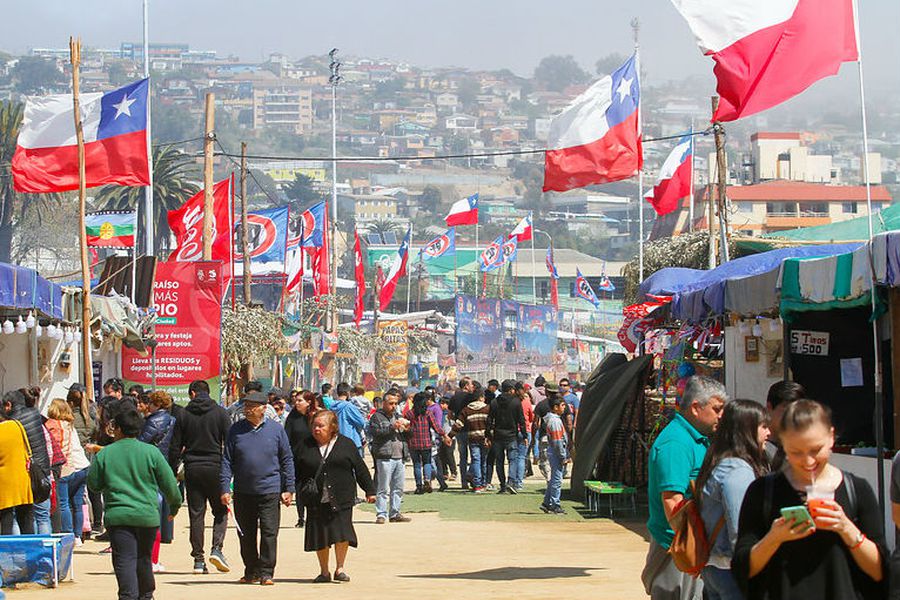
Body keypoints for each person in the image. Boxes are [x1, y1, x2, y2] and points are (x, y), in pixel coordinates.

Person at [732, 399, 886, 599]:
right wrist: (774, 538)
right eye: (796, 452)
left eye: (816, 450)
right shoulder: (762, 492)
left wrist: (846, 528)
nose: (808, 461)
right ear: (783, 444)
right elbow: (743, 569)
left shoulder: (856, 490)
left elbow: (880, 571)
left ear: (831, 437)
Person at [642, 376, 727, 600]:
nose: (721, 415)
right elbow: (672, 501)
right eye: (717, 409)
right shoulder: (676, 443)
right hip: (676, 547)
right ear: (696, 408)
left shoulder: (696, 439)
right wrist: (690, 548)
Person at [88, 408, 181, 600]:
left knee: (124, 560)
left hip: (119, 517)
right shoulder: (151, 452)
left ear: (119, 429)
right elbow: (170, 484)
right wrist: (174, 506)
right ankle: (146, 596)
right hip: (147, 517)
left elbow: (94, 485)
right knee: (144, 558)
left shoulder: (105, 454)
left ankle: (128, 596)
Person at [696, 400, 770, 600]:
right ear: (746, 430)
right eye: (763, 426)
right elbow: (740, 529)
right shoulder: (736, 470)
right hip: (730, 571)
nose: (768, 433)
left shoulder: (719, 461)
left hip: (716, 568)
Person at [220, 392, 294, 586]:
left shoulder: (276, 430)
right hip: (244, 491)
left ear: (263, 408)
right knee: (246, 534)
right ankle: (251, 570)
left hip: (270, 490)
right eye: (246, 406)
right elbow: (227, 460)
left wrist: (289, 488)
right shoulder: (236, 430)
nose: (248, 409)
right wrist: (224, 488)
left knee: (269, 533)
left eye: (252, 406)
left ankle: (267, 572)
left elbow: (287, 460)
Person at [296, 410, 376, 583]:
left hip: (342, 496)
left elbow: (360, 469)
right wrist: (287, 489)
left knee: (342, 532)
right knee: (320, 534)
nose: (316, 429)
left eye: (321, 426)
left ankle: (340, 568)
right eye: (314, 425)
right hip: (315, 498)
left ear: (332, 427)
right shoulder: (305, 445)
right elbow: (295, 470)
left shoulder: (346, 444)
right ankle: (324, 571)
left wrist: (370, 490)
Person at [168, 380, 231, 575]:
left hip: (193, 468)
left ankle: (198, 559)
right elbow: (229, 443)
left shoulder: (183, 414)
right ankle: (217, 549)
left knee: (196, 514)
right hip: (215, 467)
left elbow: (175, 447)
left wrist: (172, 470)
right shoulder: (221, 413)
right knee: (220, 511)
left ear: (193, 394)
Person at [136, 391, 177, 573]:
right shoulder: (172, 420)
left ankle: (151, 558)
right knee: (162, 505)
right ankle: (165, 537)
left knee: (153, 509)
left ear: (155, 404)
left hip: (150, 466)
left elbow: (142, 443)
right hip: (165, 463)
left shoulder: (152, 421)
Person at [2, 389, 52, 534]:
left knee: (16, 517)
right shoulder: (35, 414)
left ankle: (16, 552)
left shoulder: (12, 423)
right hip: (41, 470)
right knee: (41, 516)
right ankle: (41, 551)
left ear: (9, 405)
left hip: (23, 471)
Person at [47, 399, 91, 541]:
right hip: (81, 465)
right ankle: (77, 535)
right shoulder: (69, 425)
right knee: (77, 503)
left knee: (64, 503)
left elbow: (56, 448)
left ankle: (67, 533)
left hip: (64, 468)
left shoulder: (52, 425)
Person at [368, 391, 411, 524]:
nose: (393, 406)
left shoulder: (398, 416)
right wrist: (392, 427)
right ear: (384, 403)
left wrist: (408, 429)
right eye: (391, 403)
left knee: (398, 487)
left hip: (399, 456)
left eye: (395, 403)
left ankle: (395, 512)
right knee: (383, 487)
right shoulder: (376, 417)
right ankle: (381, 514)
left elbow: (407, 436)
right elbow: (376, 433)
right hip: (385, 456)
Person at [403, 392, 449, 494]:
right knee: (427, 463)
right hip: (426, 442)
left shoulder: (409, 414)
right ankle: (427, 480)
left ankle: (419, 486)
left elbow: (405, 427)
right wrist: (444, 435)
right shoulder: (428, 413)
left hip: (413, 443)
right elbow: (436, 427)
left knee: (417, 464)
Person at [486, 379, 527, 494]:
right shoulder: (516, 402)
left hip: (498, 436)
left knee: (499, 461)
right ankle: (511, 482)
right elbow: (521, 421)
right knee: (512, 460)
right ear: (510, 390)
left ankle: (503, 485)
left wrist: (487, 434)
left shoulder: (494, 402)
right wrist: (524, 435)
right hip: (511, 436)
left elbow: (489, 420)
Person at [449, 384, 491, 493]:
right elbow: (491, 425)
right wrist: (490, 437)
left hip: (472, 439)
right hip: (484, 439)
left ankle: (476, 485)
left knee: (476, 460)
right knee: (483, 461)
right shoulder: (487, 409)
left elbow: (458, 425)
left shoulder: (466, 410)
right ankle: (483, 483)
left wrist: (449, 436)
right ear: (481, 397)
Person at [285, 391, 318, 528]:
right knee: (299, 487)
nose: (296, 403)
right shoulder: (292, 417)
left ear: (308, 402)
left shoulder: (316, 416)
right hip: (296, 457)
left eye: (300, 401)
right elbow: (286, 437)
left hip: (314, 456)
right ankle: (301, 517)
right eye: (296, 401)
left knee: (314, 487)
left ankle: (314, 515)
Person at [0, 407, 34, 534]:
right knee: (26, 521)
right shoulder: (17, 425)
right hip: (23, 479)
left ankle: (6, 552)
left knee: (6, 522)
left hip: (4, 484)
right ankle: (31, 550)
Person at [764, 380, 806, 470]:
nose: (792, 417)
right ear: (769, 407)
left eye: (797, 411)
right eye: (786, 410)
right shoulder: (759, 446)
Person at [540, 395, 569, 514]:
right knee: (557, 479)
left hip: (554, 451)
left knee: (554, 479)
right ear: (555, 407)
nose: (564, 408)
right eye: (562, 405)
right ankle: (554, 504)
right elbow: (557, 441)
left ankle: (547, 503)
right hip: (556, 452)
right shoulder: (555, 421)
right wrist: (563, 456)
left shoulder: (553, 419)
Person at [449, 377, 474, 489]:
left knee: (462, 456)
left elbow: (450, 414)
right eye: (470, 384)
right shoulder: (471, 397)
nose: (472, 386)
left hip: (459, 430)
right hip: (471, 429)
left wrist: (457, 420)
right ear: (466, 386)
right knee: (475, 455)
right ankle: (472, 475)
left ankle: (464, 482)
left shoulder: (454, 397)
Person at [514, 381, 534, 491]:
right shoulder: (526, 401)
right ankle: (519, 483)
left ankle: (512, 481)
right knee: (522, 457)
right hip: (525, 430)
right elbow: (531, 417)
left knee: (513, 457)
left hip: (513, 431)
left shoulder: (512, 401)